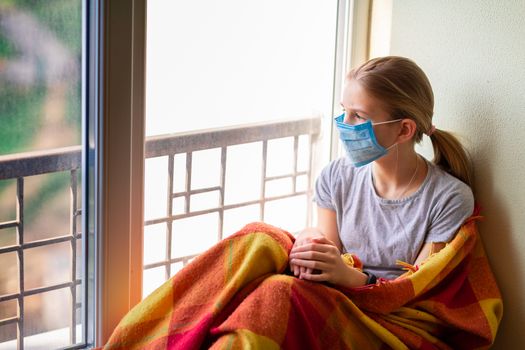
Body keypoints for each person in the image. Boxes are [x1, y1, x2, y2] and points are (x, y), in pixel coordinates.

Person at [289, 56, 474, 287]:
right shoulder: (335, 176)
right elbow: (328, 253)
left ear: (404, 129)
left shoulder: (449, 198)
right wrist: (309, 242)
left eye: (358, 115)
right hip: (334, 295)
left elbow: (415, 288)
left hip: (392, 314)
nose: (344, 124)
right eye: (344, 111)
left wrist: (351, 277)